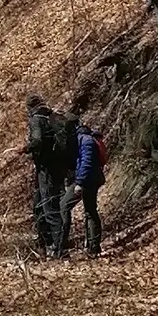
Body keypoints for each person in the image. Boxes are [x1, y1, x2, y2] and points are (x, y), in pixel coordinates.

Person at [25, 96, 77, 256]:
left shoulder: (36, 120)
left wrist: (25, 149)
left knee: (49, 207)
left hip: (46, 169)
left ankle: (60, 249)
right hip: (58, 168)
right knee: (39, 205)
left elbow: (38, 141)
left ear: (30, 108)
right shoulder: (53, 117)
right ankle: (45, 243)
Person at [61, 120, 106, 259]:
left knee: (63, 206)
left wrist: (79, 182)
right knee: (90, 211)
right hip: (93, 179)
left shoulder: (85, 141)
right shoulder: (90, 139)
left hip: (86, 181)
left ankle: (62, 243)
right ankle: (93, 247)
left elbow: (86, 162)